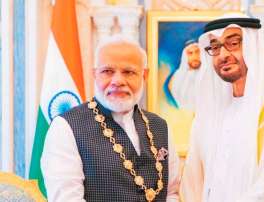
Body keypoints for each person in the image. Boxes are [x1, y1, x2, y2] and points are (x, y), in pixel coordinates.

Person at [180, 14, 264, 202]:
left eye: (234, 43)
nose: (223, 55)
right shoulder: (207, 117)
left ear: (254, 47)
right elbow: (192, 184)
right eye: (215, 46)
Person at [41, 35, 180, 202]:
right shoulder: (66, 127)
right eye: (107, 71)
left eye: (128, 72)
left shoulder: (160, 126)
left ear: (144, 75)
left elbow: (172, 193)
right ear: (95, 75)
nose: (118, 81)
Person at [171, 40, 204, 110]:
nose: (194, 56)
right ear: (185, 56)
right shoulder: (178, 76)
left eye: (197, 52)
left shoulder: (209, 74)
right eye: (190, 53)